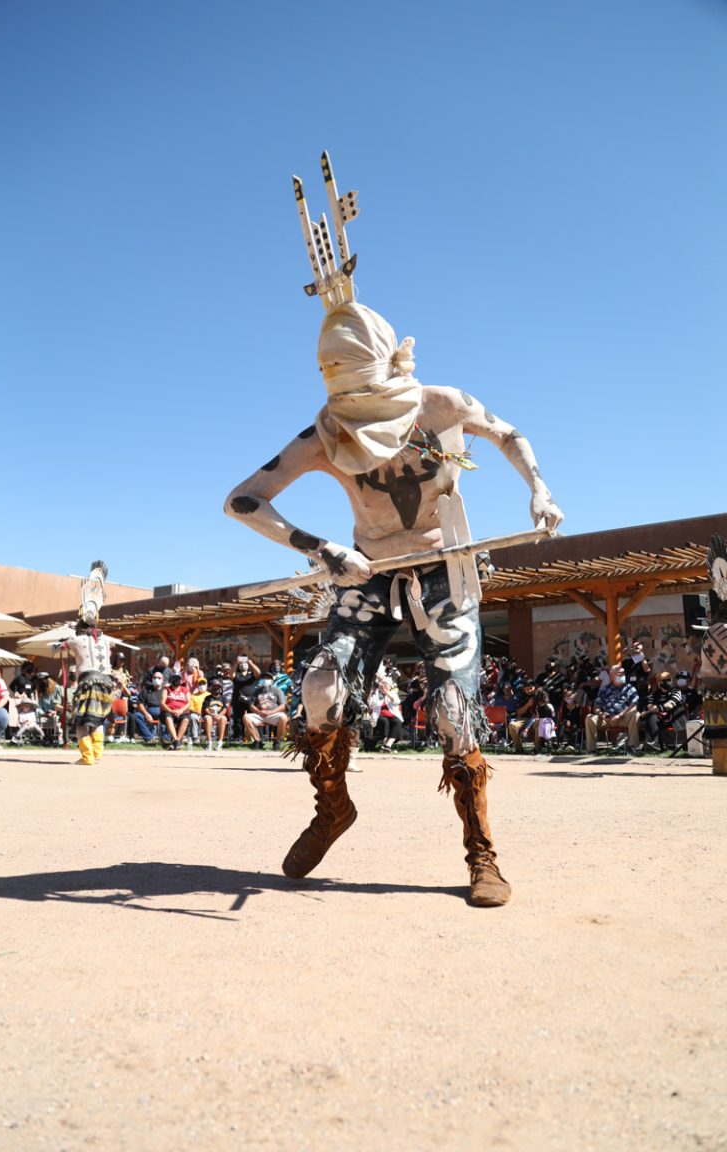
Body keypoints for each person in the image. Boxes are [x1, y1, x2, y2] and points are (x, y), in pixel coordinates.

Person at [225, 154, 563, 907]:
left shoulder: (441, 405)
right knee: (317, 687)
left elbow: (509, 435)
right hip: (363, 576)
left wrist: (539, 490)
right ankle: (332, 804)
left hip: (445, 573)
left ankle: (481, 852)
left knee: (452, 709)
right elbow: (244, 500)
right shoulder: (324, 432)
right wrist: (319, 548)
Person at [52, 560, 114, 765]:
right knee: (96, 720)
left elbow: (54, 647)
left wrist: (65, 636)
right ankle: (96, 754)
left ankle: (87, 756)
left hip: (88, 682)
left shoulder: (75, 639)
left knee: (80, 720)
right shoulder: (106, 640)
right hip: (106, 684)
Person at [584, 664, 641, 753]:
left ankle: (632, 746)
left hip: (623, 718)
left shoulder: (630, 688)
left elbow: (634, 706)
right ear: (612, 676)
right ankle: (591, 749)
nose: (622, 675)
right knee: (589, 718)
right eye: (619, 673)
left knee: (636, 714)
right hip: (607, 719)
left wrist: (620, 715)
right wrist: (601, 714)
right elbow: (596, 707)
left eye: (623, 673)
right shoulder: (604, 689)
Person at [638, 671, 685, 752]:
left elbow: (670, 705)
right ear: (658, 682)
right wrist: (652, 710)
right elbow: (650, 706)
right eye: (663, 680)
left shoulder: (676, 691)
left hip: (674, 718)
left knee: (650, 715)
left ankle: (656, 744)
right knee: (650, 717)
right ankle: (656, 744)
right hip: (659, 718)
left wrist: (656, 709)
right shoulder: (653, 695)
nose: (666, 682)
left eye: (668, 680)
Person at [243, 675, 288, 750]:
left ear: (272, 681)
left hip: (273, 715)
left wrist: (271, 712)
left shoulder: (277, 690)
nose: (265, 680)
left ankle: (277, 742)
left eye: (267, 678)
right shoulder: (257, 691)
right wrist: (259, 712)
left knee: (283, 717)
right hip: (260, 715)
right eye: (263, 678)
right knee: (246, 717)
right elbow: (251, 705)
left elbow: (283, 706)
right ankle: (257, 741)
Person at [131, 670, 165, 743]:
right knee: (137, 716)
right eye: (155, 677)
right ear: (152, 679)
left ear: (162, 680)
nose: (156, 679)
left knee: (168, 716)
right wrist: (146, 714)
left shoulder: (165, 690)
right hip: (148, 711)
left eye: (159, 678)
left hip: (162, 713)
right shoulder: (146, 689)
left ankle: (166, 738)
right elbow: (140, 703)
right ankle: (149, 737)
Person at [159, 672, 191, 749]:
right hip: (169, 711)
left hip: (182, 711)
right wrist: (171, 711)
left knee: (186, 719)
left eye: (178, 679)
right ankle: (176, 741)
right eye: (174, 679)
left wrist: (181, 710)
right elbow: (162, 703)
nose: (176, 680)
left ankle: (177, 741)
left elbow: (189, 703)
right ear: (171, 680)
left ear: (181, 681)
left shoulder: (185, 690)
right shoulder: (166, 690)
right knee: (168, 718)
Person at [202, 678, 229, 751]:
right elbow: (206, 709)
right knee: (207, 718)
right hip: (210, 715)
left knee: (223, 719)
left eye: (218, 687)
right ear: (212, 688)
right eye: (214, 687)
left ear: (221, 688)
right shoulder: (207, 698)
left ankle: (220, 742)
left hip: (220, 716)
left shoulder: (223, 698)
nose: (216, 688)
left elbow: (225, 709)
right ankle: (209, 742)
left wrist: (219, 715)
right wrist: (212, 714)